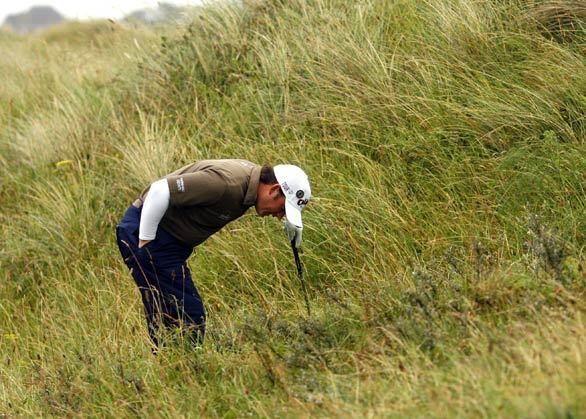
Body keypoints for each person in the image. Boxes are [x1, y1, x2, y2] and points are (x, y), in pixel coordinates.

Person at [115, 159, 311, 350]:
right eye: (283, 209)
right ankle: (184, 369)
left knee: (167, 313)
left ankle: (167, 366)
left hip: (165, 242)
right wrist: (146, 241)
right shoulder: (227, 184)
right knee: (189, 316)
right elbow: (160, 190)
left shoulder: (249, 185)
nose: (279, 216)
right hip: (149, 235)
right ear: (275, 189)